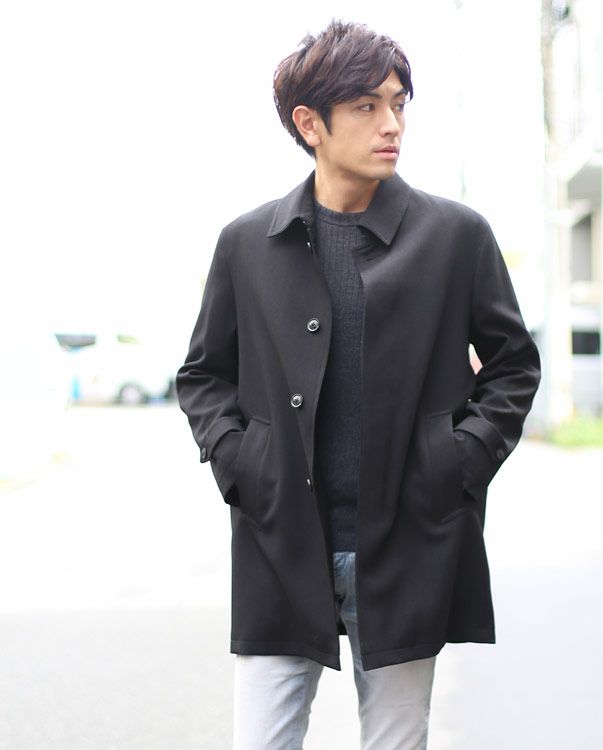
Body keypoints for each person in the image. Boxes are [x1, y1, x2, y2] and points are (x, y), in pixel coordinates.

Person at [176, 19, 541, 750]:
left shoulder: (455, 236)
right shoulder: (248, 244)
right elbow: (204, 375)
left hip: (409, 540)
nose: (392, 124)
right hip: (281, 541)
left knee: (396, 742)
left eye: (399, 104)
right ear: (309, 123)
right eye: (367, 107)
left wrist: (457, 461)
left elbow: (513, 365)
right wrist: (242, 464)